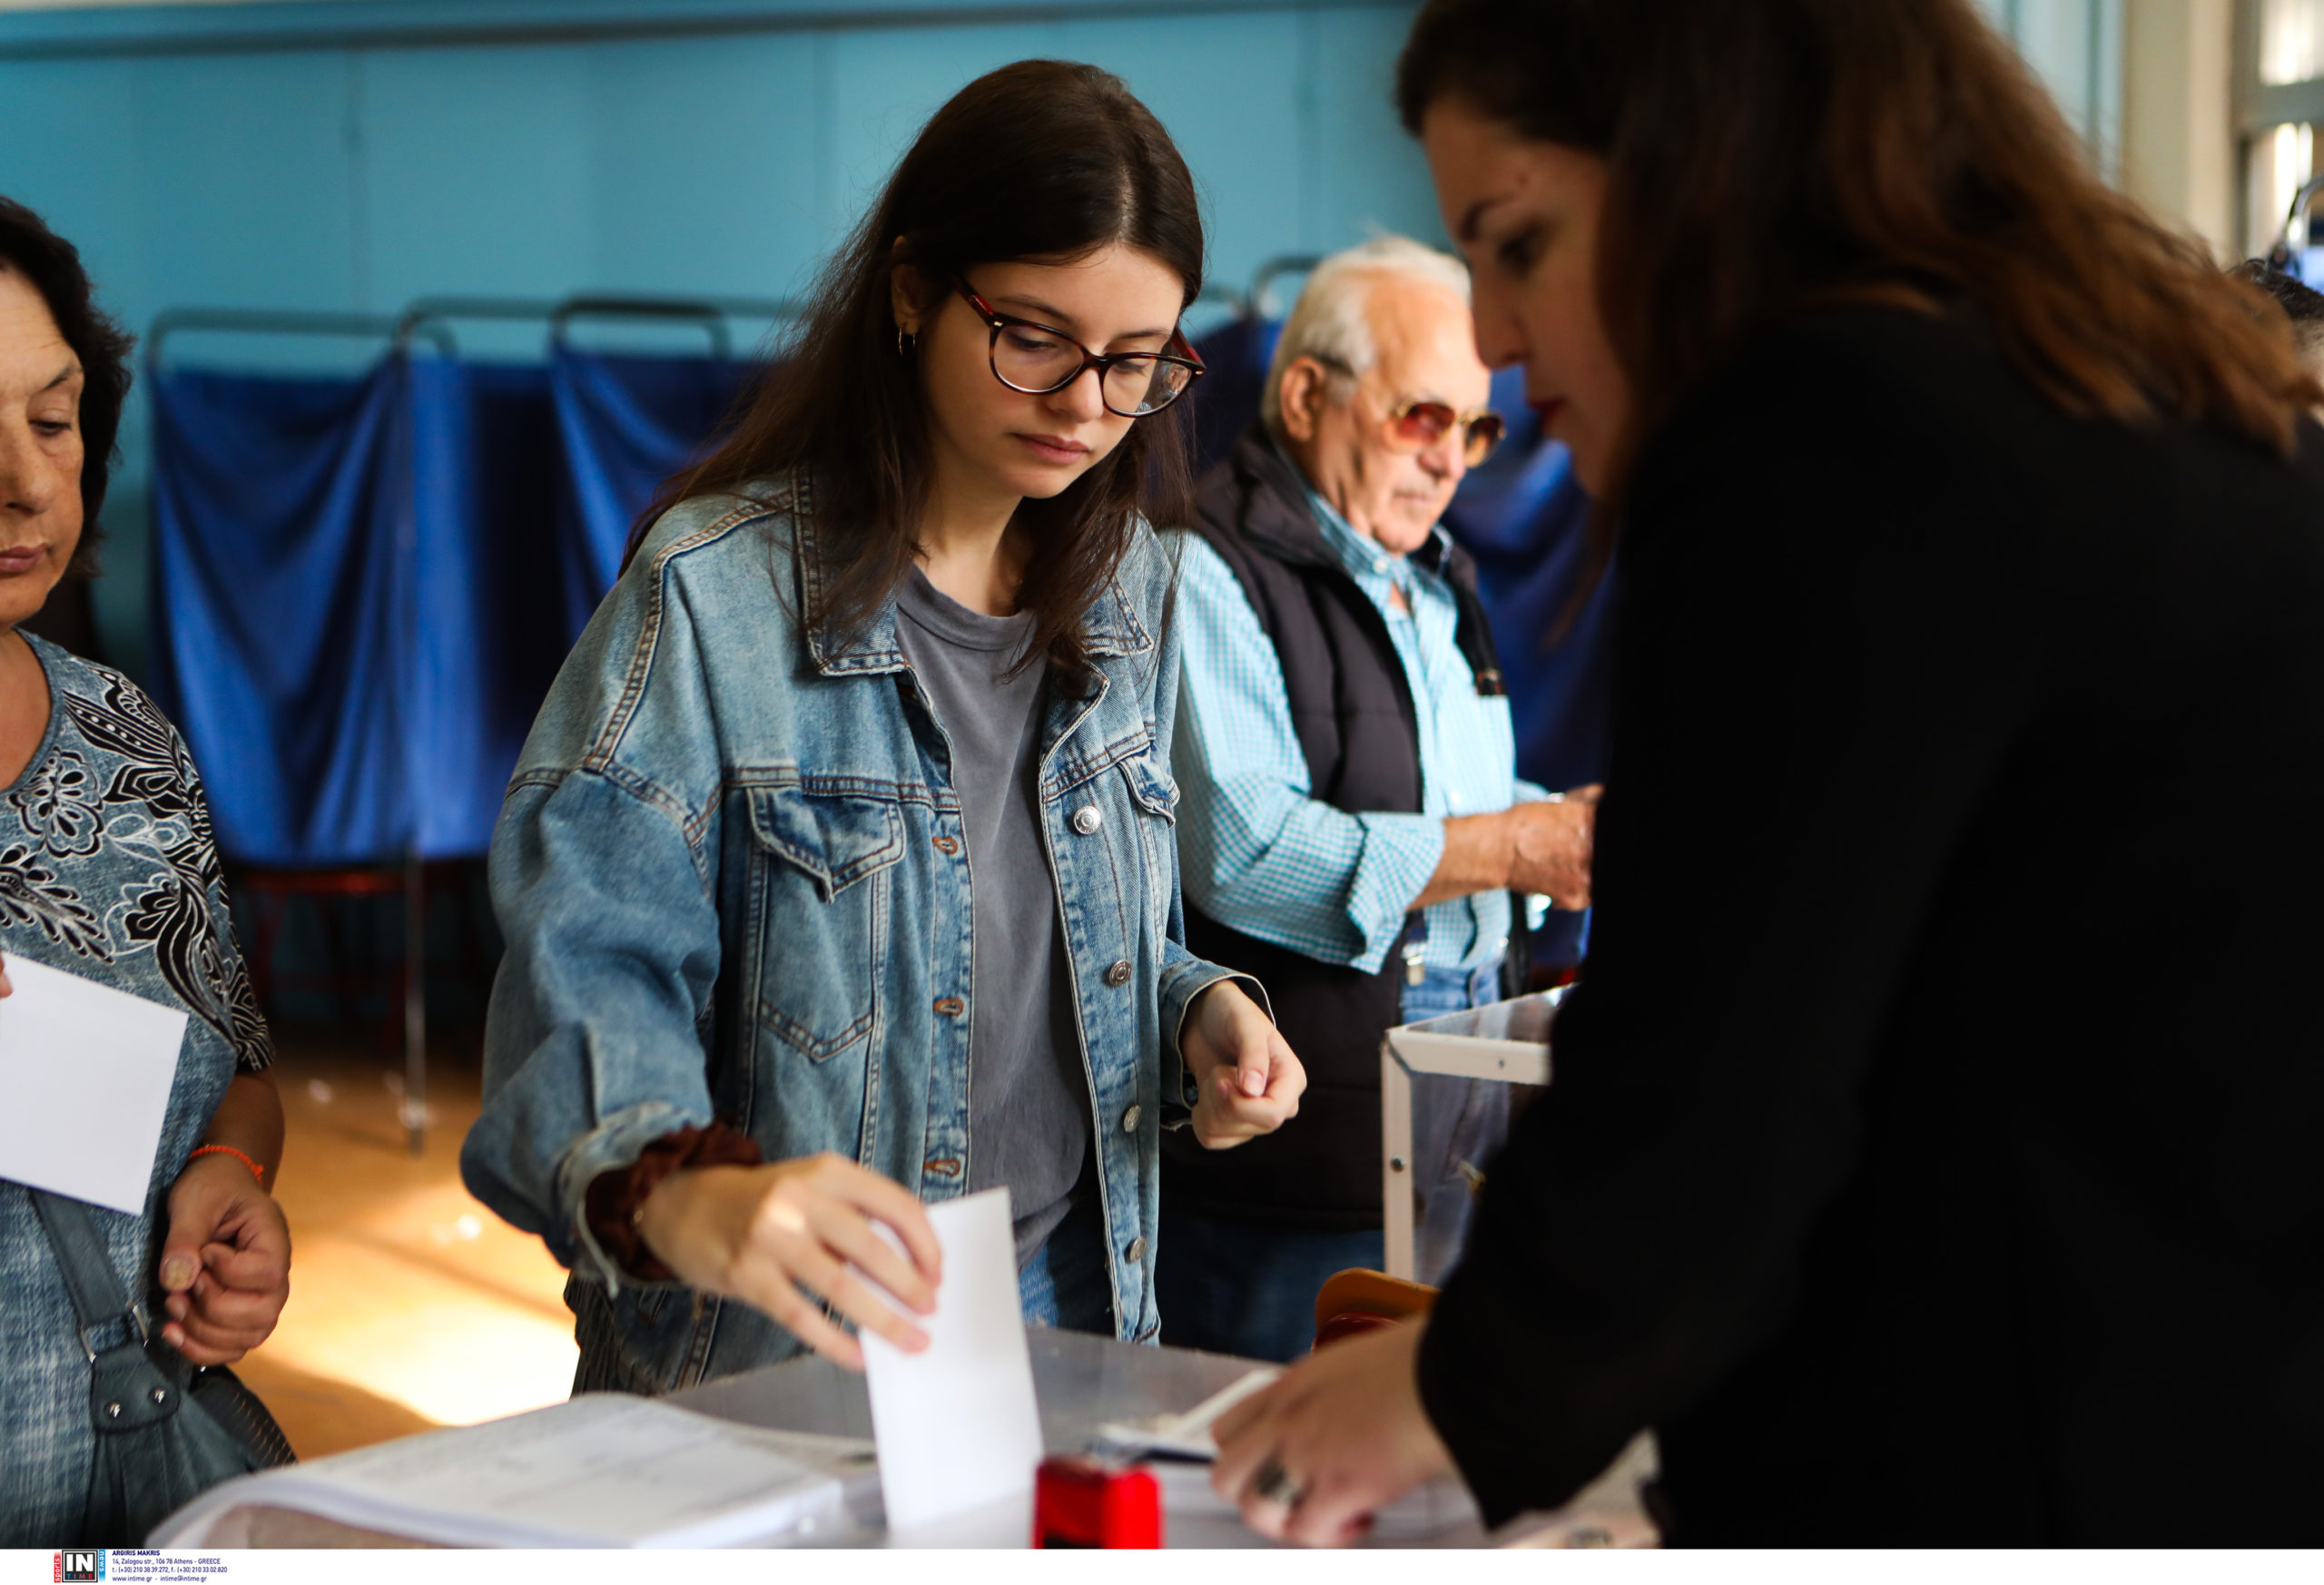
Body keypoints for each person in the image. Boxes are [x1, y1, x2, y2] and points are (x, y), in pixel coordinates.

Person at [1209, 0, 2324, 1546]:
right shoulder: (2133, 382)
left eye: (1517, 244)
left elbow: (1716, 1088)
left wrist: (1461, 1385)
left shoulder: (1831, 434)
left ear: (1702, 169)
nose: (1504, 341)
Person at [460, 60, 1305, 1392]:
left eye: (1135, 361)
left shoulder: (1133, 583)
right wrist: (687, 1190)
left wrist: (1193, 1009)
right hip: (798, 1340)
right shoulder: (716, 595)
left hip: (1088, 1293)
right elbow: (588, 965)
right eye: (1035, 335)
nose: (1086, 402)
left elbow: (1060, 930)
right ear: (913, 290)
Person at [1159, 236, 1597, 1362]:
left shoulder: (1434, 577)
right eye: (1421, 418)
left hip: (1457, 1149)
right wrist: (1516, 844)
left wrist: (1572, 829)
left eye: (1476, 427)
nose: (1451, 460)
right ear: (1306, 394)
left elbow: (1456, 800)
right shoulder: (1202, 566)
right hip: (1291, 1176)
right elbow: (1244, 849)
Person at [0, 196, 290, 1543]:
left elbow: (233, 1061)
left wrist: (231, 1179)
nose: (24, 481)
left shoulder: (125, 739)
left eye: (51, 423)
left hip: (137, 1502)